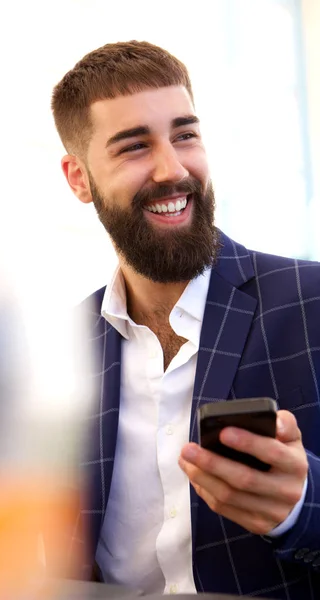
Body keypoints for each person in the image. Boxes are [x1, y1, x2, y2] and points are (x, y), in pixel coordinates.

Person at [51, 41, 320, 598]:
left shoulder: (312, 300)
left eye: (185, 135)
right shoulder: (61, 353)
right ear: (79, 178)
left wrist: (303, 506)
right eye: (134, 147)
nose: (172, 169)